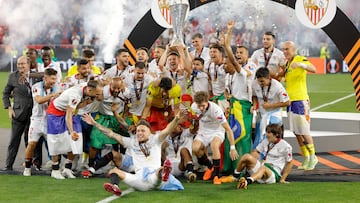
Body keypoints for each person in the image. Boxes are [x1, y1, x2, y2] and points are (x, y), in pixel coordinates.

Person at [81, 111, 185, 195]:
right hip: (139, 180)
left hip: (154, 177)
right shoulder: (132, 142)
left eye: (143, 131)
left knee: (157, 173)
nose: (139, 133)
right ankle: (115, 187)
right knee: (114, 171)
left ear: (149, 132)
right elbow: (111, 134)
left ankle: (164, 173)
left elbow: (167, 130)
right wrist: (94, 123)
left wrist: (176, 119)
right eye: (138, 131)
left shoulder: (156, 140)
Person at [46, 79, 99, 179]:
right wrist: (71, 131)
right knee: (56, 141)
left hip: (69, 111)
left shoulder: (86, 86)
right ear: (90, 91)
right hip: (56, 113)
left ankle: (67, 168)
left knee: (76, 140)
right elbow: (68, 116)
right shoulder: (75, 96)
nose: (98, 96)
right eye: (97, 94)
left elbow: (75, 108)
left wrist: (86, 103)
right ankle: (55, 170)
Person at [221, 21, 253, 176]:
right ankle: (231, 168)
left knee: (242, 138)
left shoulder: (246, 70)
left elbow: (232, 60)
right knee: (231, 138)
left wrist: (229, 35)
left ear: (247, 56)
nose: (238, 55)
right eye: (237, 52)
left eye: (241, 52)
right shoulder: (233, 75)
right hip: (234, 107)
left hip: (244, 109)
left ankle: (243, 169)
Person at [281, 41, 318, 170]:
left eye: (287, 49)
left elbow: (314, 69)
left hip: (300, 100)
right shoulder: (287, 64)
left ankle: (313, 157)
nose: (285, 51)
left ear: (293, 48)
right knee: (296, 132)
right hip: (290, 102)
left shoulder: (299, 59)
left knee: (304, 131)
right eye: (283, 49)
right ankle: (306, 157)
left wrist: (301, 65)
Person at [2, 56, 41, 171]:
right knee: (14, 141)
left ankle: (34, 165)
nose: (20, 66)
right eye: (18, 64)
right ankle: (8, 166)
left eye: (23, 64)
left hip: (34, 114)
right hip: (18, 114)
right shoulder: (13, 76)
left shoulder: (36, 76)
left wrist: (30, 75)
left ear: (29, 64)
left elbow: (46, 76)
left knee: (32, 141)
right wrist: (9, 108)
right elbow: (5, 93)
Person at [191, 91, 238, 184]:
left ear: (207, 101)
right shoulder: (193, 107)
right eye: (199, 105)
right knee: (195, 149)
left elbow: (228, 129)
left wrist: (232, 148)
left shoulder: (216, 110)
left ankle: (216, 175)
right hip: (203, 131)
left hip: (217, 131)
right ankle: (210, 166)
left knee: (214, 146)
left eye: (203, 105)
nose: (201, 108)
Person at [23, 68, 62, 176]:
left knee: (53, 145)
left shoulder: (57, 87)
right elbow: (39, 100)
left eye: (55, 78)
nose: (54, 81)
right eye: (52, 78)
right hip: (36, 120)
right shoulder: (36, 87)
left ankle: (55, 170)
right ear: (45, 78)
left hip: (51, 120)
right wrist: (53, 95)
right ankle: (27, 168)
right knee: (31, 144)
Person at [236, 124, 293, 189]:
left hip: (273, 173)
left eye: (269, 132)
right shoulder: (266, 141)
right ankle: (235, 176)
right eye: (266, 132)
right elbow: (256, 151)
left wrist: (283, 178)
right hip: (261, 168)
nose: (266, 134)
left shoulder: (286, 146)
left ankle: (247, 182)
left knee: (263, 168)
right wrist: (254, 154)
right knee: (246, 156)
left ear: (276, 134)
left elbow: (290, 162)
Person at [252, 67, 290, 151]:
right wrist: (254, 105)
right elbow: (254, 95)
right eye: (258, 81)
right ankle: (260, 158)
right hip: (261, 114)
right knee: (259, 136)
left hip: (274, 114)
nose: (260, 83)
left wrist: (271, 106)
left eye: (262, 81)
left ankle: (275, 154)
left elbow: (287, 102)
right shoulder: (254, 84)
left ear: (269, 78)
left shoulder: (277, 86)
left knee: (272, 136)